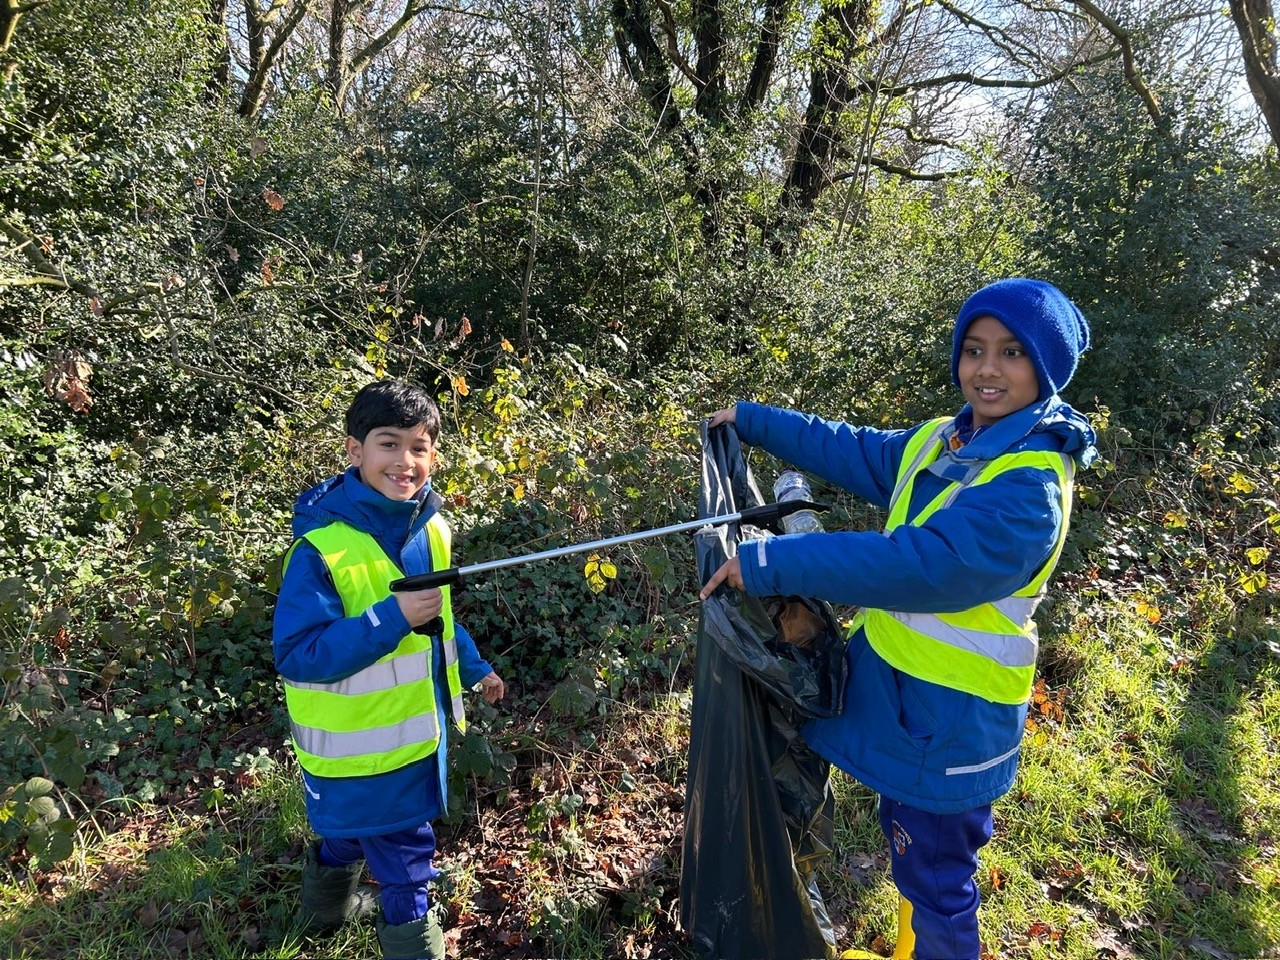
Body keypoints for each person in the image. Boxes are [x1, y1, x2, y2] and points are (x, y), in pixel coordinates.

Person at [700, 278, 1097, 960]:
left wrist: (771, 563)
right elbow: (853, 449)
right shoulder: (950, 440)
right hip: (909, 706)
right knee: (910, 847)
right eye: (974, 349)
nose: (987, 369)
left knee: (937, 883)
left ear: (1045, 367)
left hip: (954, 726)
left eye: (1011, 352)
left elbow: (914, 564)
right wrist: (753, 419)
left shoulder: (1026, 489)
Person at [273, 379, 504, 960]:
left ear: (434, 456)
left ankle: (321, 914)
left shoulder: (431, 529)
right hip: (354, 749)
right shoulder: (321, 549)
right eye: (388, 444)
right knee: (406, 863)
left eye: (419, 447)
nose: (405, 461)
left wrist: (474, 667)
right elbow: (299, 654)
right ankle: (413, 943)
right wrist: (390, 618)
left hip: (414, 735)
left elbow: (438, 619)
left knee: (352, 834)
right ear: (355, 451)